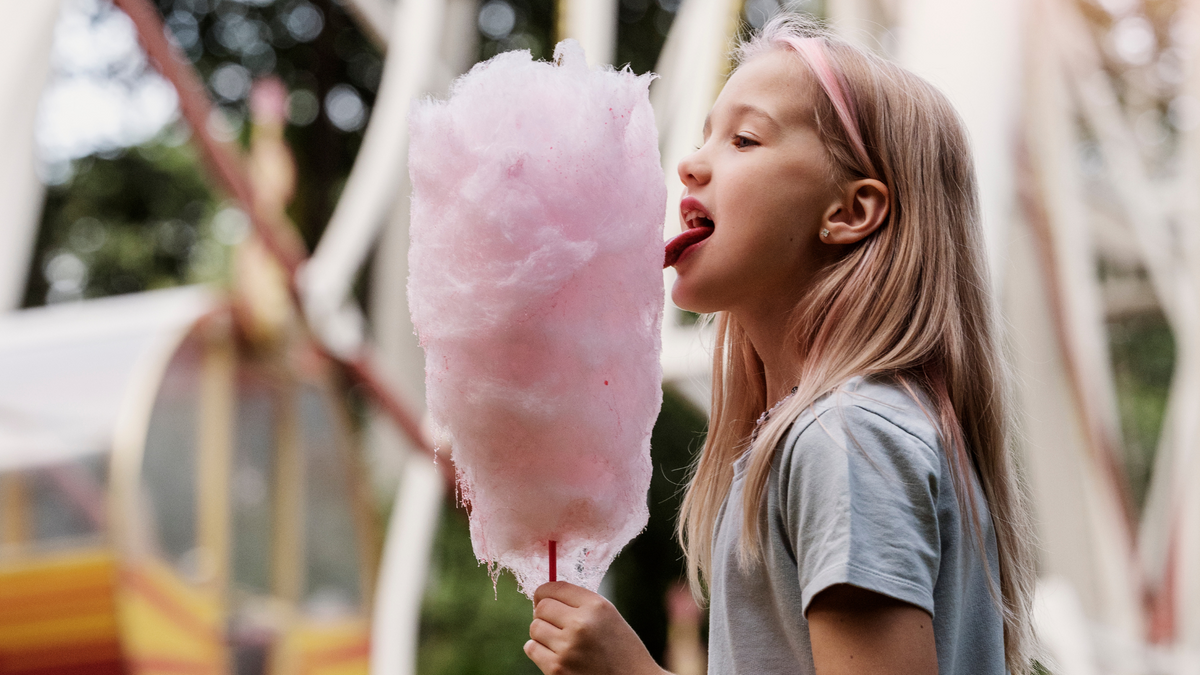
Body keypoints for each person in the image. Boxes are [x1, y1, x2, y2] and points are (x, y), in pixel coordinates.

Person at [522, 14, 1037, 675]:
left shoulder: (846, 439)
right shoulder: (839, 433)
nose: (690, 164)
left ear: (850, 212)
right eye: (708, 135)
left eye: (743, 139)